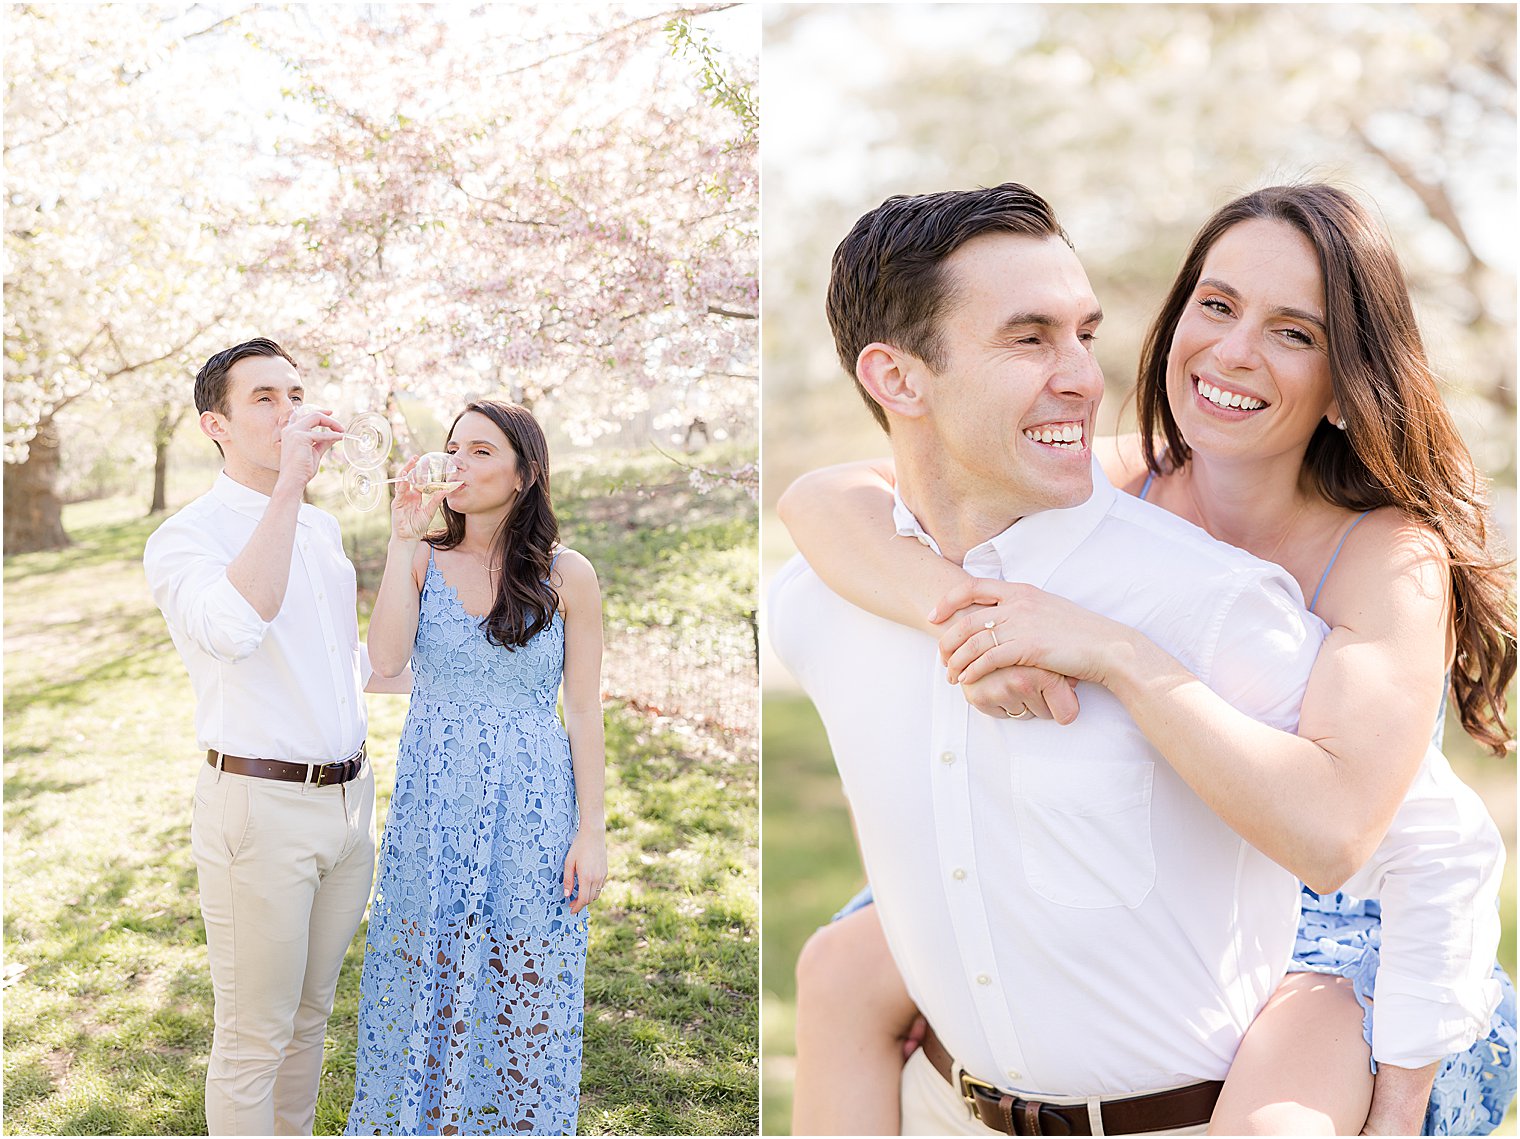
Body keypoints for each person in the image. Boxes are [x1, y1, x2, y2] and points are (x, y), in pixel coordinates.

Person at [778, 184, 1516, 1134]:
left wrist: (1120, 653)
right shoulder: (1108, 477)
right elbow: (823, 497)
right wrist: (957, 616)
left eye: (1295, 332)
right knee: (841, 963)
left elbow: (1387, 835)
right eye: (1216, 306)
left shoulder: (1383, 556)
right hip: (1132, 861)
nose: (1235, 350)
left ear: (1347, 380)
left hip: (1337, 915)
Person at [144, 337, 405, 1136]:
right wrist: (289, 485)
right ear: (213, 424)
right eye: (264, 398)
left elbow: (346, 664)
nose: (289, 412)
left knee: (311, 1016)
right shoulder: (185, 538)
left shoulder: (322, 532)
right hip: (257, 811)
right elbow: (234, 626)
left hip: (350, 804)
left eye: (295, 393)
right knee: (255, 1035)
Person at [345, 399, 607, 1136]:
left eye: (481, 451)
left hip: (532, 801)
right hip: (437, 797)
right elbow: (390, 660)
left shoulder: (567, 574)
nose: (456, 461)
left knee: (526, 979)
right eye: (452, 447)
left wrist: (593, 831)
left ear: (525, 474)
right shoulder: (423, 556)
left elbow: (583, 710)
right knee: (429, 972)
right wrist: (400, 543)